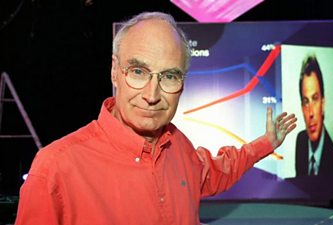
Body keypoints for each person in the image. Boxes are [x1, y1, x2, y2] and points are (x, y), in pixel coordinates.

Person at [14, 12, 297, 225]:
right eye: (138, 72)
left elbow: (217, 171)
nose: (152, 95)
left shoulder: (179, 147)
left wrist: (266, 143)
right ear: (115, 71)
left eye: (169, 76)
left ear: (182, 83)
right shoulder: (55, 169)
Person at [295, 55, 333, 177]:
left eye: (315, 99)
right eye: (306, 102)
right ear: (302, 107)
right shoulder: (301, 141)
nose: (310, 113)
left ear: (323, 103)